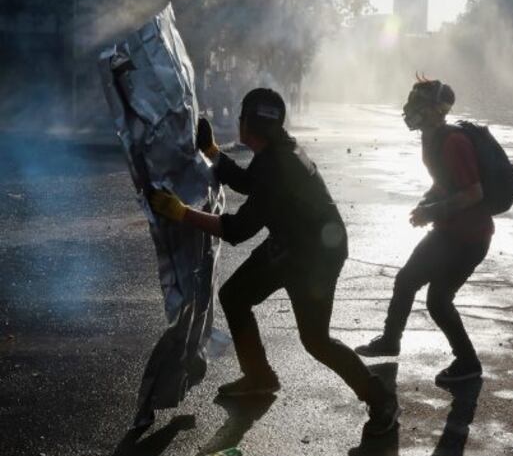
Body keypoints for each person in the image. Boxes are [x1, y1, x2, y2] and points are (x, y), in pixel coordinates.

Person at [148, 88, 400, 435]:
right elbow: (252, 183)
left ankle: (381, 398)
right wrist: (214, 155)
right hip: (293, 245)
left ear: (249, 123)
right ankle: (259, 377)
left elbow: (236, 229)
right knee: (235, 296)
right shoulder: (278, 151)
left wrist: (181, 213)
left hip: (315, 256)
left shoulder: (279, 165)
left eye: (242, 117)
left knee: (316, 341)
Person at [355, 78, 492, 384]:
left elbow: (473, 193)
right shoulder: (431, 137)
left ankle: (466, 362)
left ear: (436, 110)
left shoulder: (454, 142)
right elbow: (445, 181)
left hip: (467, 237)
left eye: (418, 102)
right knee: (419, 289)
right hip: (452, 232)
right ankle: (398, 343)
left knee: (434, 298)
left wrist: (432, 211)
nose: (410, 108)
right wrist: (428, 202)